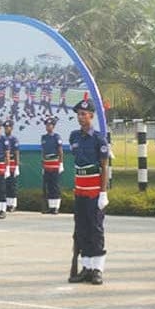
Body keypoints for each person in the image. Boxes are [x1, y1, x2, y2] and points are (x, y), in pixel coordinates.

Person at [69, 95, 109, 284]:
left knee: (95, 229)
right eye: (79, 114)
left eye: (84, 114)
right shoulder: (74, 137)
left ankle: (97, 268)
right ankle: (86, 266)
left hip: (94, 190)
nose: (80, 117)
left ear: (91, 116)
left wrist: (103, 192)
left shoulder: (99, 139)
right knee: (81, 229)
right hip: (80, 190)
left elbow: (104, 167)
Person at [41, 115, 63, 214]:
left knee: (55, 186)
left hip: (54, 163)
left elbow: (60, 151)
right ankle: (50, 207)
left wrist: (61, 163)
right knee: (48, 186)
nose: (48, 127)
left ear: (53, 126)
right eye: (47, 125)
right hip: (46, 164)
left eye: (50, 125)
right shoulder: (44, 138)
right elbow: (43, 152)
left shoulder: (56, 137)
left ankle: (56, 207)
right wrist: (43, 165)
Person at [4, 119, 20, 212]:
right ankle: (6, 203)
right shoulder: (2, 138)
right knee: (5, 185)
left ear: (12, 128)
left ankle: (13, 204)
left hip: (12, 163)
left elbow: (16, 153)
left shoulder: (14, 139)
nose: (7, 129)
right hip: (4, 165)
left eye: (8, 127)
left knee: (12, 185)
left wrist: (17, 166)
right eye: (5, 127)